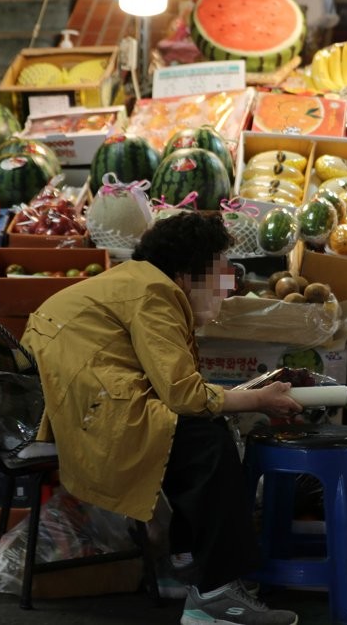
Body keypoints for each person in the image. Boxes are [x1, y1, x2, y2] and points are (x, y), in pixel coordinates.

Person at [21, 212, 303, 625]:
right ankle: (216, 592)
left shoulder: (137, 280)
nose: (226, 279)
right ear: (190, 272)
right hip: (89, 406)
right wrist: (259, 398)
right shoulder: (155, 292)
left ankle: (189, 566)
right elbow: (183, 393)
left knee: (195, 430)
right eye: (220, 267)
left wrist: (234, 399)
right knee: (206, 440)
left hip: (75, 397)